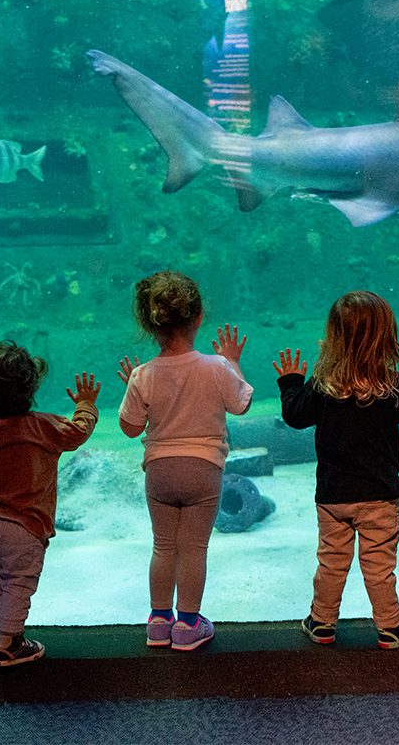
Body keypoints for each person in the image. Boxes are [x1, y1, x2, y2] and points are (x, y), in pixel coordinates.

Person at [273, 291, 399, 650]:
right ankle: (391, 627)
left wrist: (291, 380)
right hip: (380, 498)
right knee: (378, 566)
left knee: (331, 563)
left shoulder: (322, 386)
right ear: (385, 337)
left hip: (333, 497)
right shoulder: (392, 384)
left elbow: (294, 416)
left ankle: (322, 623)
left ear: (333, 337)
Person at [117, 271, 253, 651]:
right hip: (203, 469)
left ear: (149, 325)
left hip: (160, 470)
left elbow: (130, 428)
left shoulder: (143, 374)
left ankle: (158, 623)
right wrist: (232, 360)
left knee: (163, 545)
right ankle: (188, 626)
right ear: (198, 318)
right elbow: (241, 404)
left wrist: (134, 387)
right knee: (193, 548)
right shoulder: (216, 366)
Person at [0, 342, 100, 667]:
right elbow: (78, 432)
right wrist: (86, 404)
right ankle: (8, 645)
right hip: (23, 528)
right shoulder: (44, 426)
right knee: (17, 584)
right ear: (30, 387)